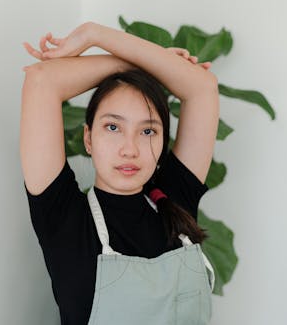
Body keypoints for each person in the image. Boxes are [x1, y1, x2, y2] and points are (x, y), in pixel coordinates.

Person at [20, 22, 220, 325]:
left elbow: (202, 87)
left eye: (148, 131)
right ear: (88, 138)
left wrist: (97, 38)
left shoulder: (176, 197)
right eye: (113, 127)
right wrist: (130, 60)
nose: (130, 149)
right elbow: (41, 81)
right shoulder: (63, 216)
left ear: (163, 140)